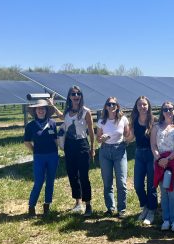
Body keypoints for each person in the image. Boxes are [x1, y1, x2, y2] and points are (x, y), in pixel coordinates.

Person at [53, 86, 95, 217]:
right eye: (73, 94)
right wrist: (52, 104)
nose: (76, 96)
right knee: (72, 174)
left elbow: (91, 131)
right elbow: (61, 116)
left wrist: (92, 148)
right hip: (69, 145)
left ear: (81, 96)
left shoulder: (86, 112)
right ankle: (78, 203)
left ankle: (88, 204)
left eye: (78, 94)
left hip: (82, 145)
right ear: (69, 97)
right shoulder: (67, 112)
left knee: (83, 176)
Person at [151, 102, 174, 232]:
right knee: (164, 191)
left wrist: (168, 159)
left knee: (173, 192)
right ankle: (166, 219)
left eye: (170, 109)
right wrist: (159, 159)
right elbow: (153, 145)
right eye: (165, 109)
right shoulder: (156, 126)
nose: (168, 111)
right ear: (162, 112)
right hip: (160, 162)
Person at [23, 99, 58, 217]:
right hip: (39, 157)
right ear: (35, 111)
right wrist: (35, 151)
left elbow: (56, 139)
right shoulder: (31, 126)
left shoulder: (52, 123)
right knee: (38, 181)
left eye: (43, 108)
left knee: (50, 181)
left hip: (53, 155)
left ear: (46, 110)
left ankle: (47, 205)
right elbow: (27, 142)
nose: (41, 110)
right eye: (38, 108)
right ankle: (31, 207)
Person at [96, 97, 130, 218]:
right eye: (109, 104)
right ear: (106, 107)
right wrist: (102, 139)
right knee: (107, 182)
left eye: (114, 104)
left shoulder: (123, 119)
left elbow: (127, 134)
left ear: (117, 106)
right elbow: (97, 138)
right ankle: (110, 208)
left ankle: (122, 209)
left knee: (121, 182)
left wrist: (131, 133)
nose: (111, 106)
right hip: (105, 151)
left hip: (119, 150)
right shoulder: (101, 121)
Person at [128, 96, 157, 225]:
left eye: (144, 104)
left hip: (152, 154)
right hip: (139, 153)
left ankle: (151, 210)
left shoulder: (154, 121)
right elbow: (130, 138)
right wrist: (125, 132)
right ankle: (145, 205)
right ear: (136, 107)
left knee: (151, 185)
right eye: (140, 105)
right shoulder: (134, 121)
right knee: (138, 184)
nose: (142, 107)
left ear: (148, 106)